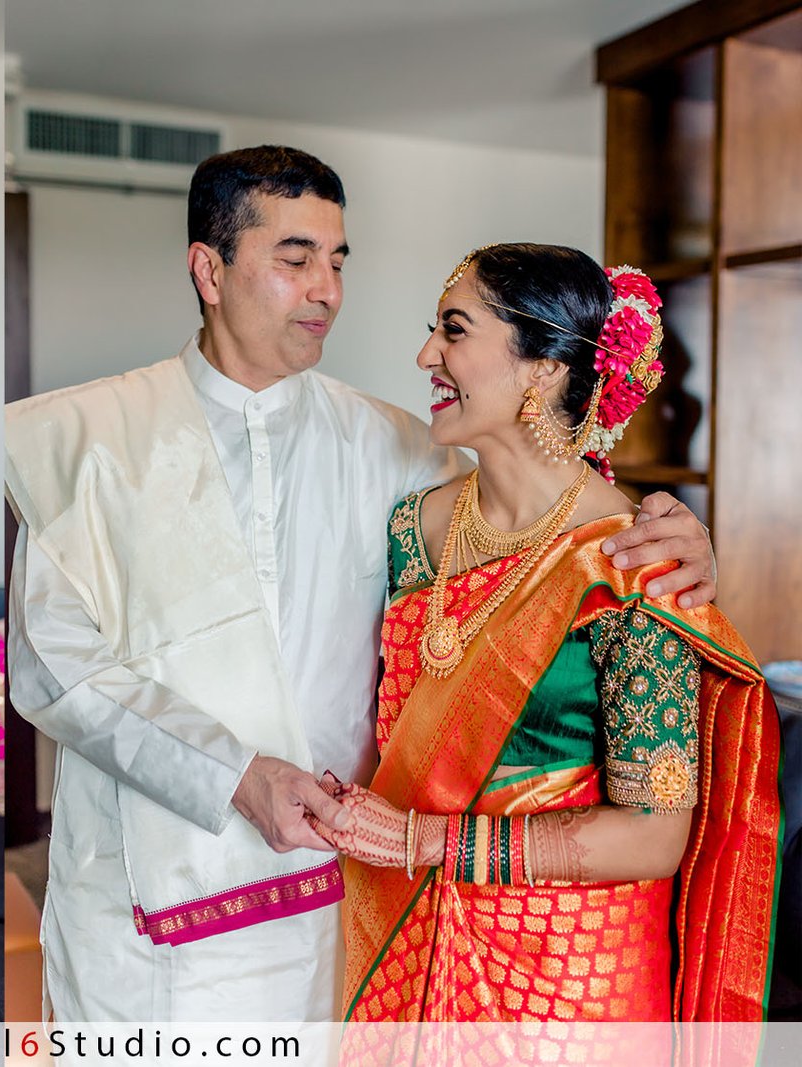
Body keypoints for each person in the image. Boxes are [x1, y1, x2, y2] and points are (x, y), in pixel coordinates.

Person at [4, 147, 717, 1022]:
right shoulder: (85, 439)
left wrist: (676, 533)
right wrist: (233, 774)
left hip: (338, 898)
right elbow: (52, 667)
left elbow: (543, 504)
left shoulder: (396, 448)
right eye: (296, 258)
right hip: (140, 908)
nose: (328, 290)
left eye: (338, 262)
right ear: (210, 270)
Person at [321, 244, 780, 1033]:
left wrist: (421, 840)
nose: (426, 355)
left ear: (543, 366)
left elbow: (654, 834)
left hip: (571, 986)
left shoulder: (629, 562)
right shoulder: (411, 528)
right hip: (415, 942)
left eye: (454, 330)